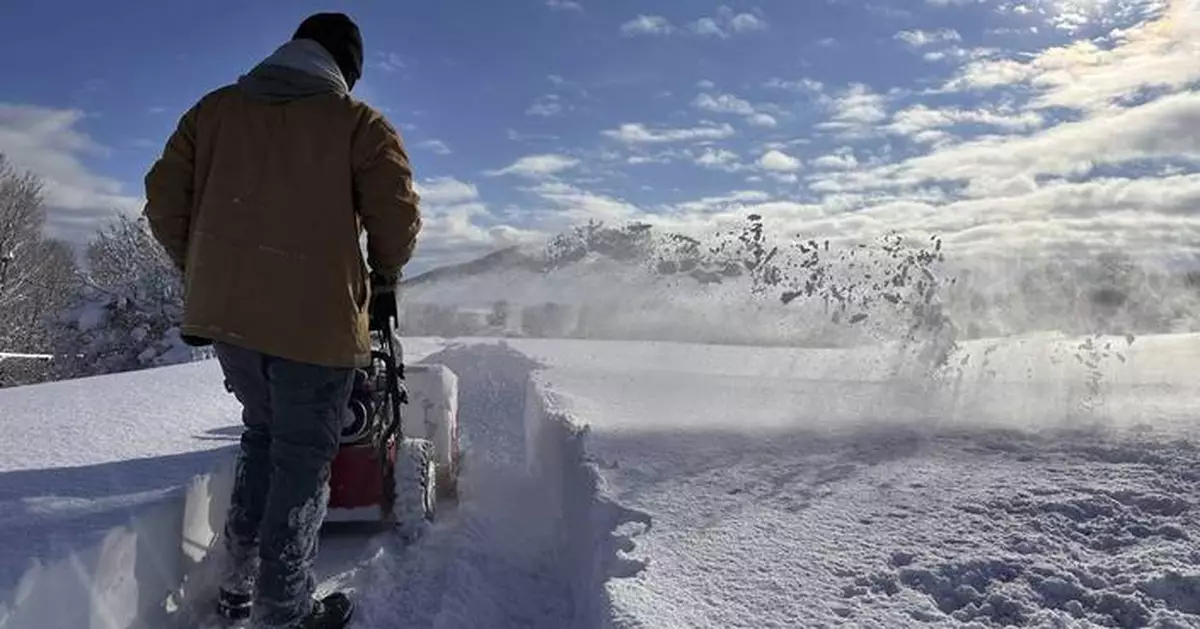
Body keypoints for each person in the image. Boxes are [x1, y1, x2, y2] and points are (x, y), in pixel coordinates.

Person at [143, 12, 421, 629]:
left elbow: (163, 198)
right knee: (300, 459)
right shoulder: (358, 125)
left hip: (230, 321)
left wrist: (204, 266)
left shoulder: (211, 112)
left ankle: (235, 585)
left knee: (263, 439)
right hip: (315, 322)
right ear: (344, 70)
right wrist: (385, 279)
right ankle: (285, 610)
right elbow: (395, 216)